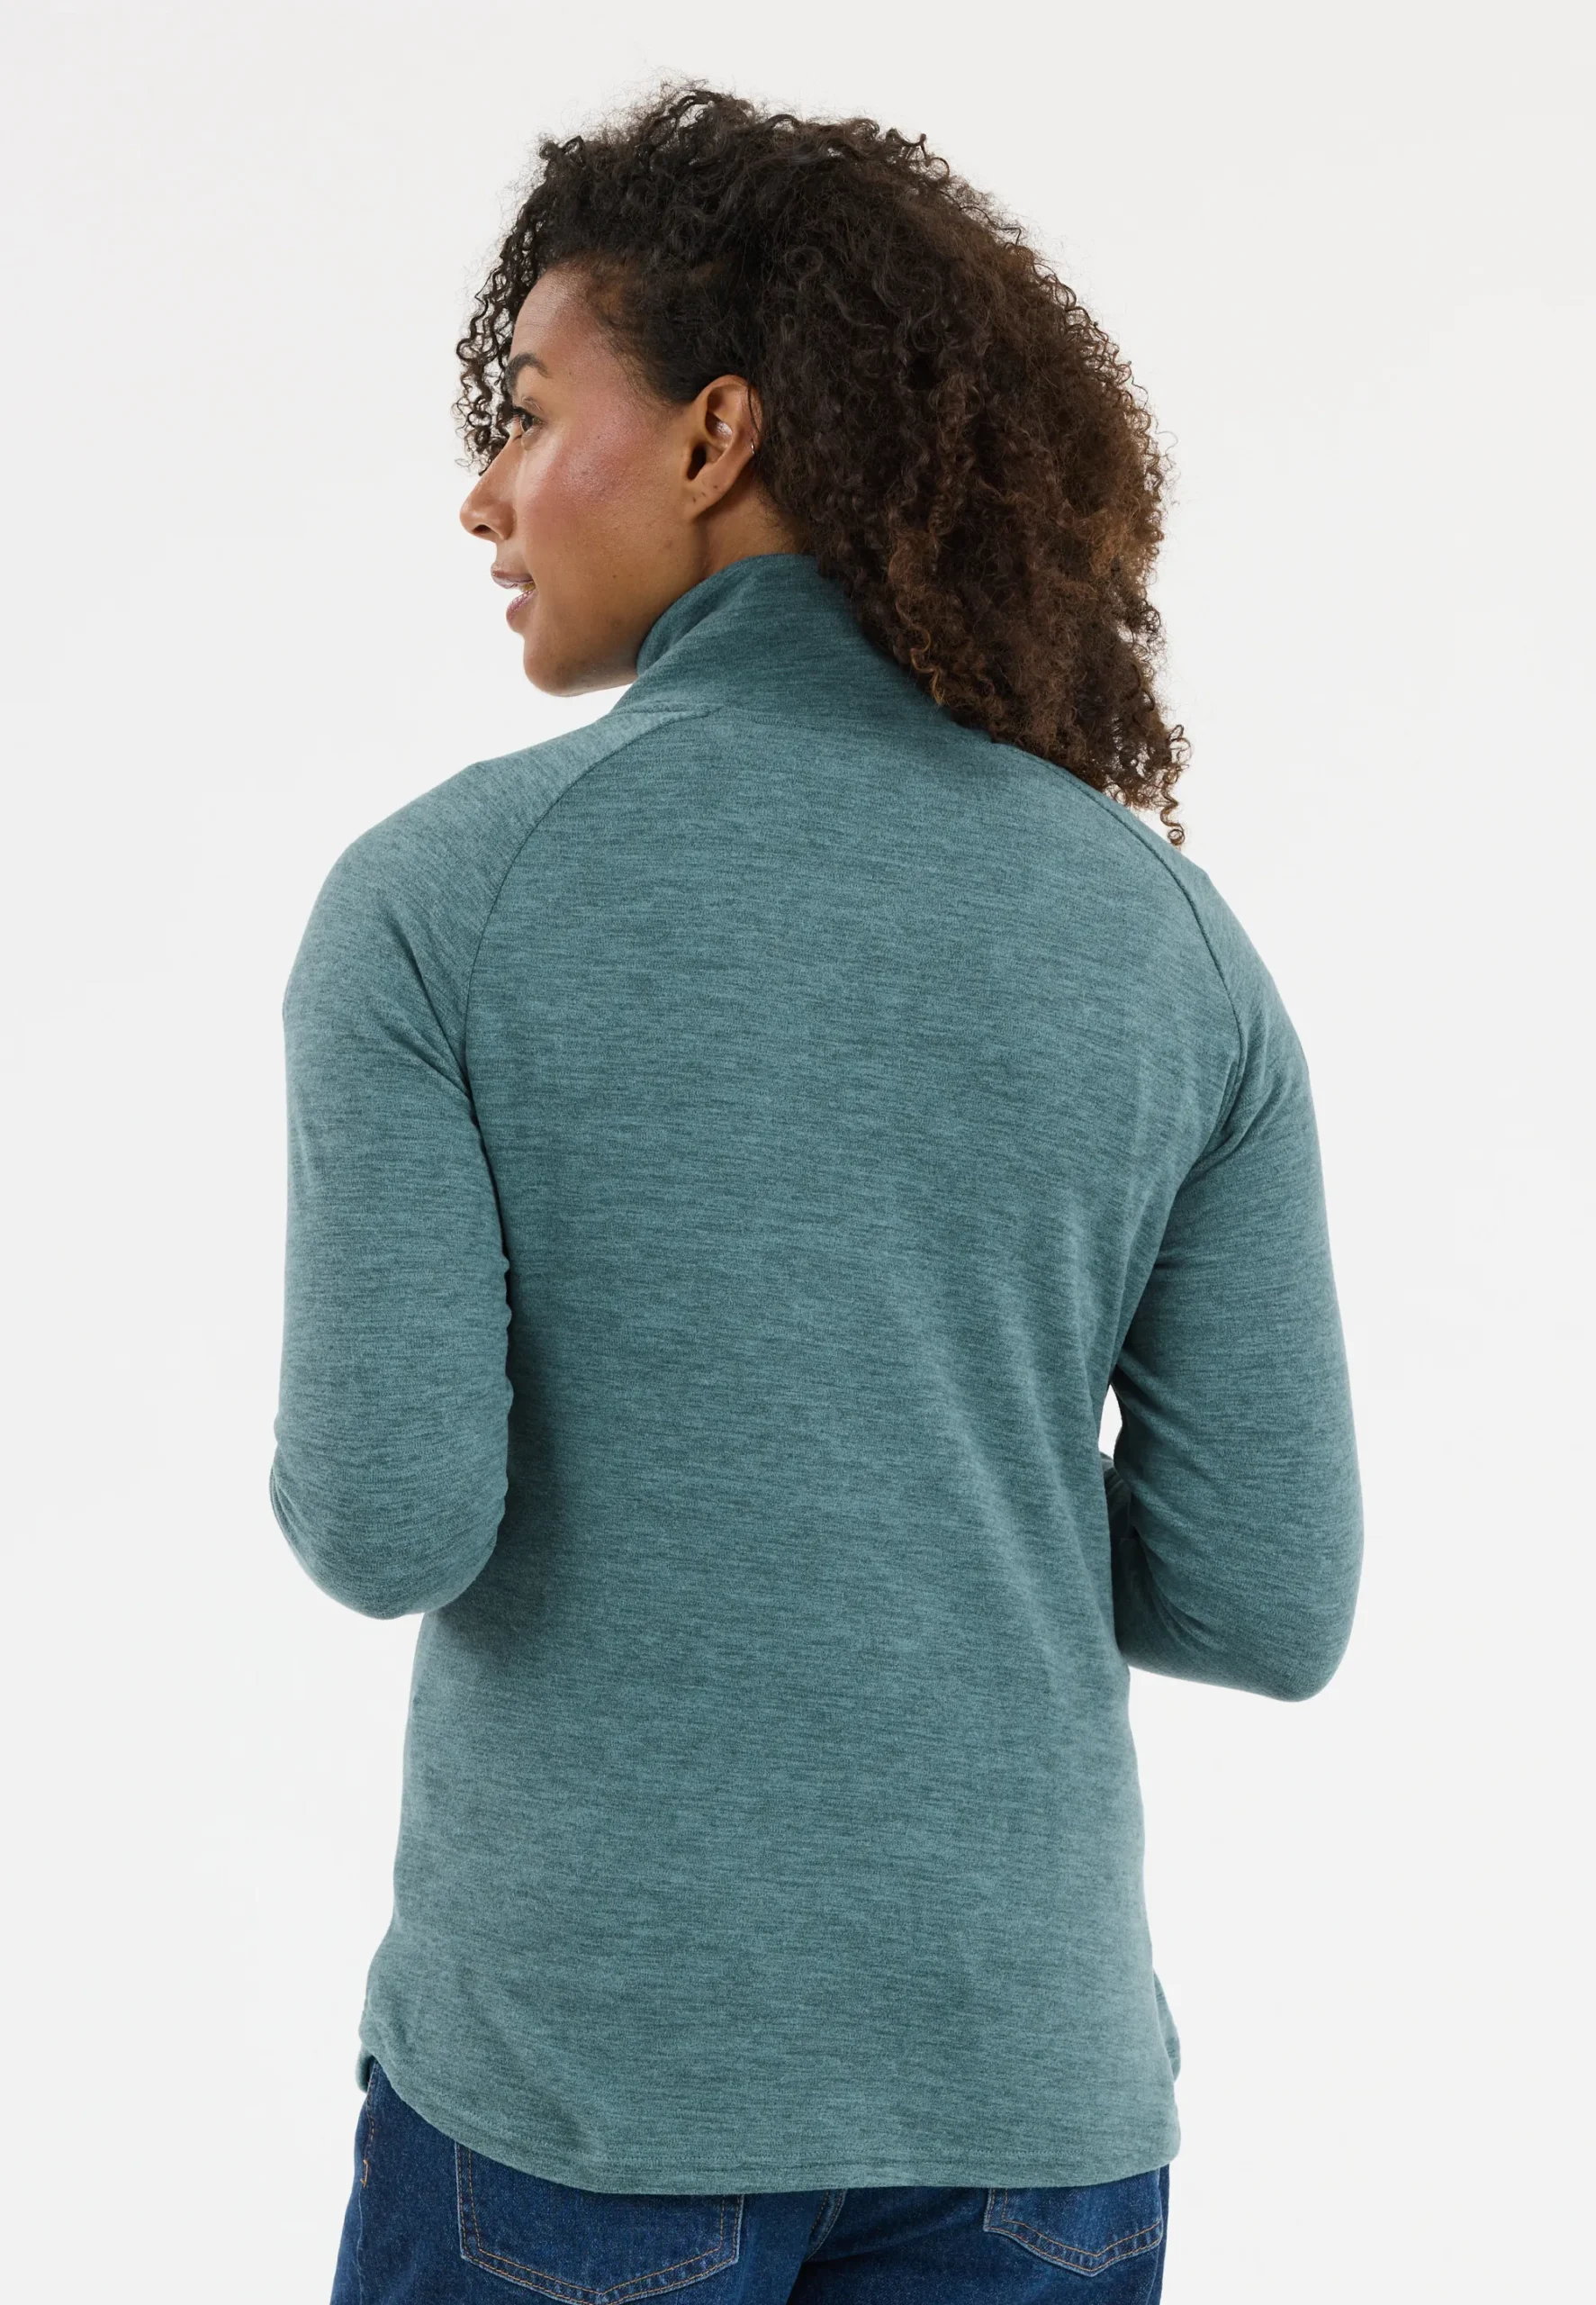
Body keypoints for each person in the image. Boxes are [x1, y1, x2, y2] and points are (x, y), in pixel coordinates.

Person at [269, 84, 1363, 2305]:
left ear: (714, 436)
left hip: (589, 2094)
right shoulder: (1168, 944)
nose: (482, 491)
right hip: (1034, 2115)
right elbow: (1268, 1598)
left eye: (527, 412)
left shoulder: (441, 904)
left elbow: (384, 1520)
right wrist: (928, 1503)